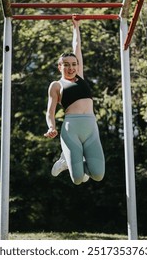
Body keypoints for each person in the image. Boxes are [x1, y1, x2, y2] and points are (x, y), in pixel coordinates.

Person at [44, 17, 105, 185]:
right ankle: (65, 161)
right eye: (66, 64)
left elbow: (77, 46)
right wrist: (51, 127)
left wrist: (76, 27)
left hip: (91, 127)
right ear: (60, 67)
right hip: (71, 129)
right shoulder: (56, 85)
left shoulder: (81, 77)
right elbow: (50, 112)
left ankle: (72, 161)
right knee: (77, 179)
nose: (71, 68)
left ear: (77, 66)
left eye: (74, 64)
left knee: (98, 175)